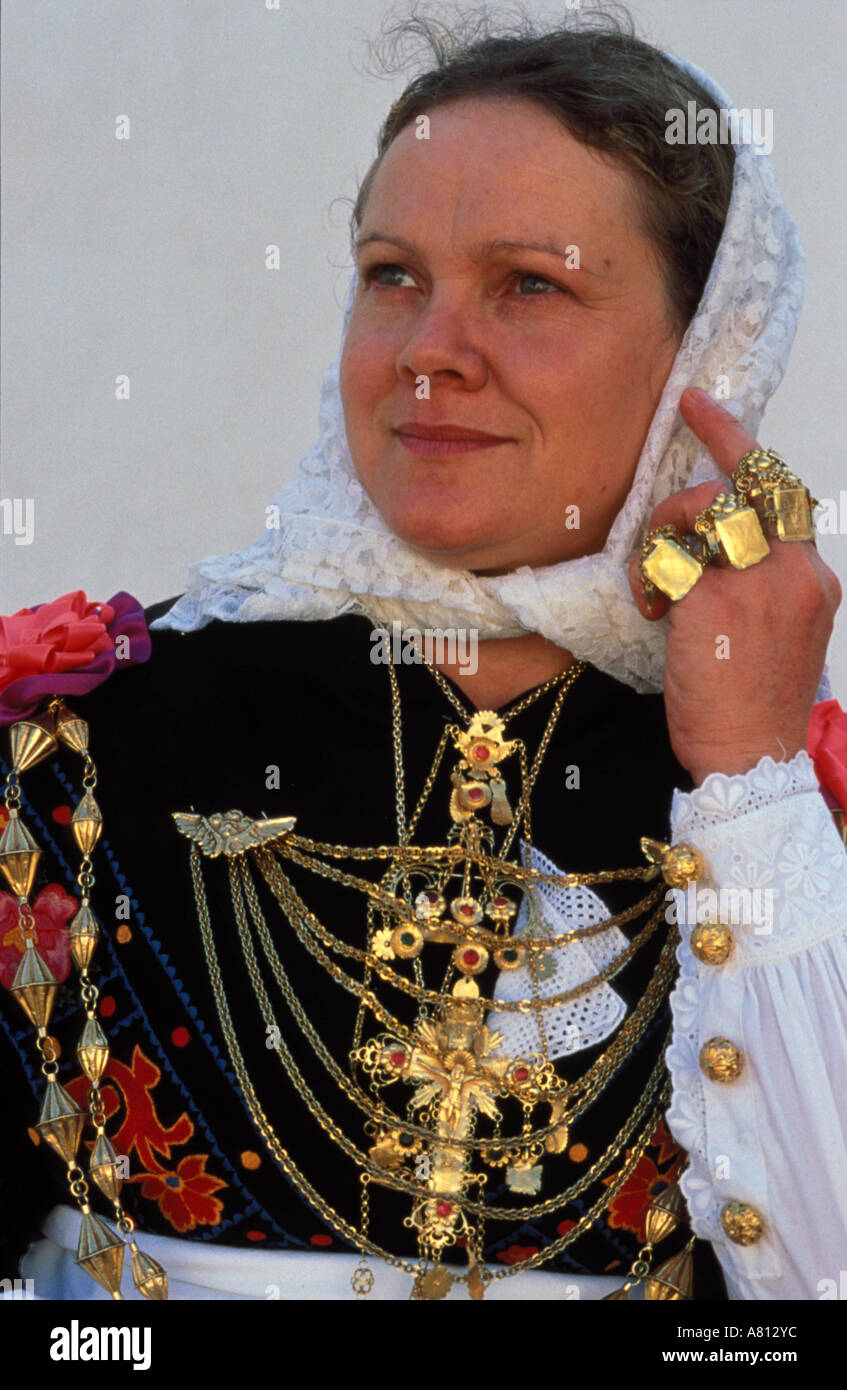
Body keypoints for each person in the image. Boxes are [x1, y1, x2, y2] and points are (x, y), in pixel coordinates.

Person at [1, 10, 845, 1302]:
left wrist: (748, 774)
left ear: (704, 357)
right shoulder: (77, 739)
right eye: (393, 272)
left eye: (530, 284)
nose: (428, 351)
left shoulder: (797, 811)